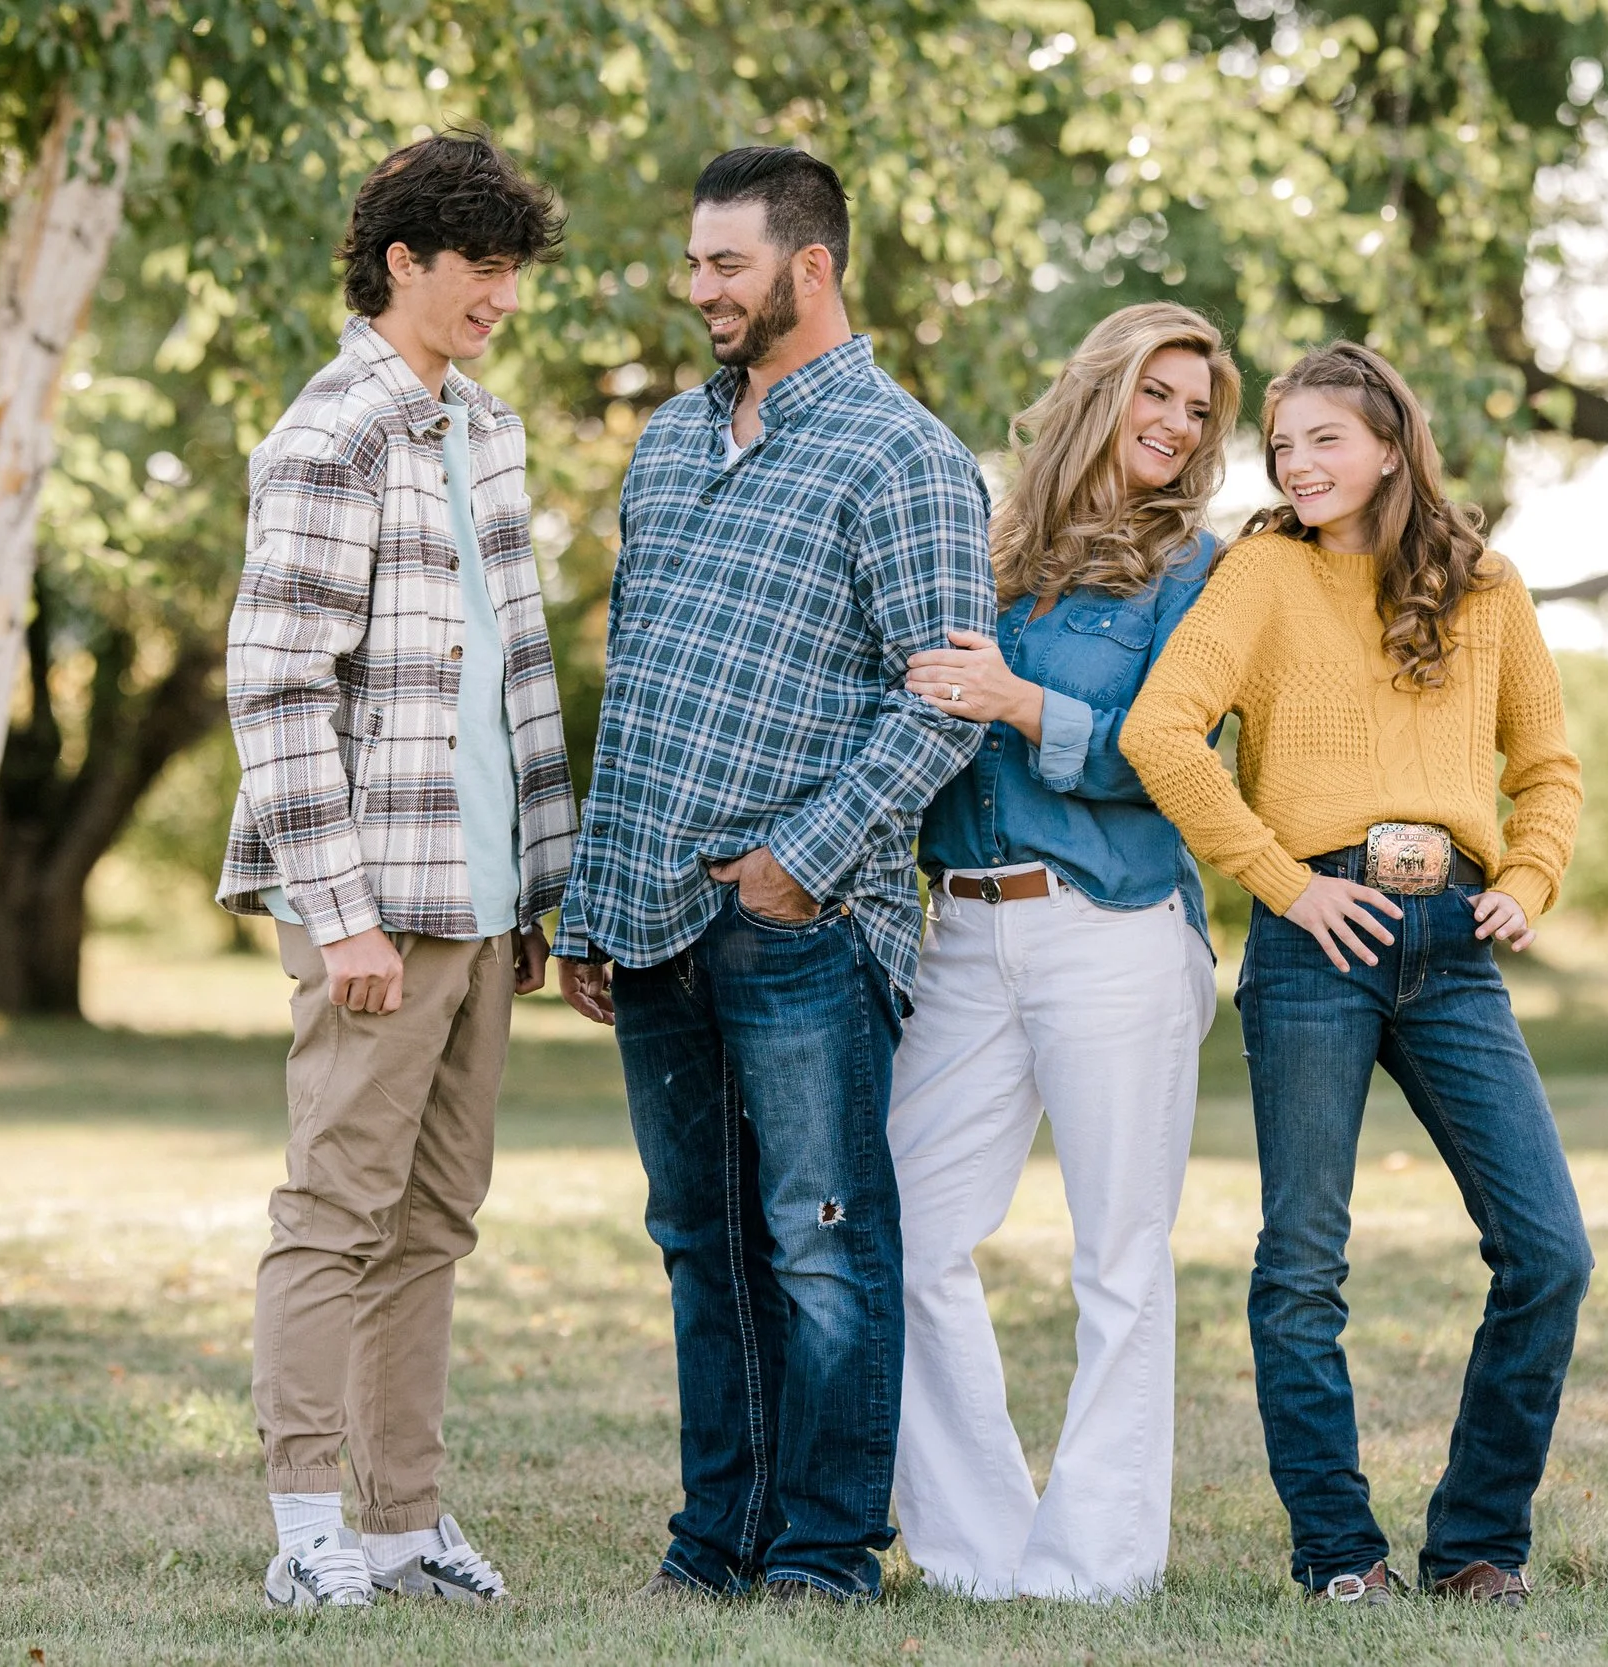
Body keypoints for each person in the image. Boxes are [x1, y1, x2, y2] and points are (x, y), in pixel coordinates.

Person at [553, 146, 995, 1604]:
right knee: (700, 1244)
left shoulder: (904, 454)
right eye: (693, 261)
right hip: (651, 909)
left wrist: (794, 866)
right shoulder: (671, 440)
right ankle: (717, 1541)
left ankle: (821, 1550)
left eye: (725, 263)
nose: (699, 288)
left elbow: (944, 699)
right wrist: (593, 902)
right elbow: (639, 682)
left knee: (820, 1245)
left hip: (800, 918)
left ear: (810, 266)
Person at [1120, 341, 1590, 1610]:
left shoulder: (1485, 585)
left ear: (1390, 443)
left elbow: (1547, 767)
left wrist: (1529, 876)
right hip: (1312, 942)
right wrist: (1282, 880)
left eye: (1323, 438)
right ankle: (1338, 1551)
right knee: (1302, 1263)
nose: (1297, 463)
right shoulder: (1262, 573)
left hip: (1453, 949)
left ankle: (1477, 1543)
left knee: (1549, 1250)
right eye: (1281, 444)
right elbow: (1160, 730)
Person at [216, 129, 576, 1611]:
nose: (501, 294)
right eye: (479, 266)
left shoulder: (482, 428)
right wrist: (342, 913)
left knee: (432, 1222)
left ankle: (400, 1521)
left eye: (513, 269)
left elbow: (510, 676)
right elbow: (276, 685)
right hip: (374, 904)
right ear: (401, 261)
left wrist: (534, 888)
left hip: (481, 901)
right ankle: (307, 1524)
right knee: (335, 1215)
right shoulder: (332, 433)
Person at [887, 303, 1237, 1602]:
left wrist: (1025, 702)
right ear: (1099, 388)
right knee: (904, 1227)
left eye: (1198, 410)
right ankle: (977, 1552)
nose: (1178, 426)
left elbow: (1178, 760)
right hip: (963, 925)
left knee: (1119, 1260)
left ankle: (1093, 1566)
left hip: (1113, 925)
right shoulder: (982, 545)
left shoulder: (1196, 571)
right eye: (1158, 393)